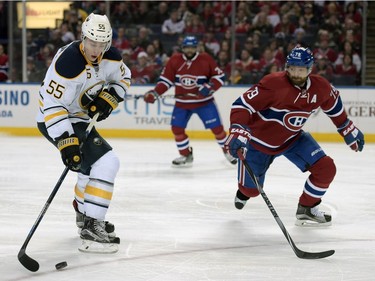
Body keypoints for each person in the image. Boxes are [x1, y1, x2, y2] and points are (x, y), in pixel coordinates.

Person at [224, 46, 364, 226]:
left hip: (292, 140)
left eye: (301, 69)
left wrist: (346, 126)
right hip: (258, 144)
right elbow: (242, 105)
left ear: (310, 69)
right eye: (292, 69)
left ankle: (307, 208)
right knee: (251, 191)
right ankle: (244, 192)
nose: (296, 74)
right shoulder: (272, 84)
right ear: (287, 68)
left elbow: (333, 102)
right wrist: (238, 129)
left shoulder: (320, 87)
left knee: (326, 169)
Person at [36, 13, 131, 252]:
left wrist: (109, 98)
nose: (95, 48)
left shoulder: (111, 57)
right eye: (91, 42)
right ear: (83, 38)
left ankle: (84, 213)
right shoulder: (68, 63)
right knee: (107, 162)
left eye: (101, 44)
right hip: (54, 118)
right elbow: (53, 105)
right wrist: (66, 142)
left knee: (89, 165)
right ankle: (92, 224)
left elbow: (124, 78)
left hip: (79, 117)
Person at [143, 35, 237, 167]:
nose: (189, 50)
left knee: (217, 129)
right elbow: (166, 80)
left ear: (196, 48)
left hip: (204, 102)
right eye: (187, 47)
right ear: (182, 48)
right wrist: (155, 93)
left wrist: (209, 87)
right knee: (177, 129)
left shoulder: (205, 59)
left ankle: (229, 152)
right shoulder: (175, 60)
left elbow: (219, 76)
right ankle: (186, 155)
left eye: (192, 47)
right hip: (183, 103)